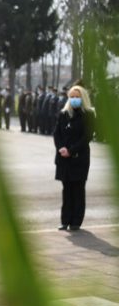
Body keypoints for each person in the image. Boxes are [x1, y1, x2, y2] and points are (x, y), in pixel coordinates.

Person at [54, 84, 95, 231]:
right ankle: (65, 221)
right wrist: (61, 148)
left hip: (79, 158)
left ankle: (76, 221)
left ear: (82, 98)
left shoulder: (88, 115)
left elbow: (87, 137)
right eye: (72, 97)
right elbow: (57, 134)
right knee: (66, 190)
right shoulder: (64, 113)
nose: (74, 99)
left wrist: (71, 150)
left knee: (78, 189)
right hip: (64, 158)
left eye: (77, 97)